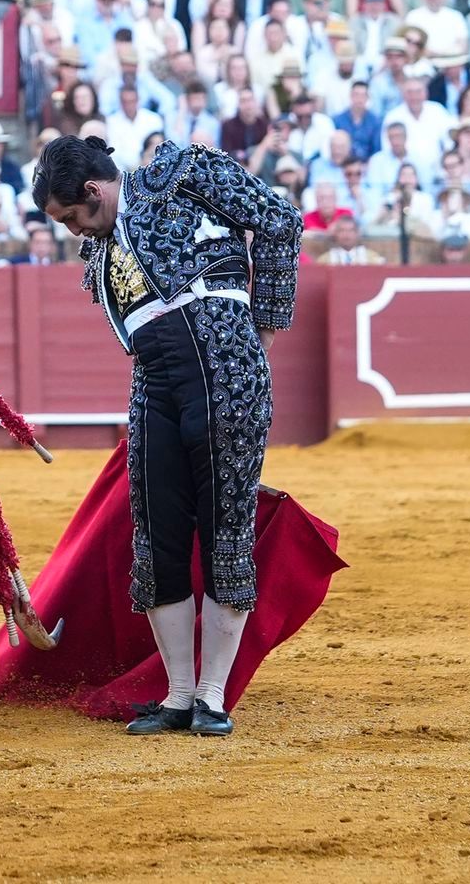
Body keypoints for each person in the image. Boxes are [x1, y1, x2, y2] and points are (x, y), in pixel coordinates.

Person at [33, 134, 303, 738]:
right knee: (156, 532)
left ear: (94, 190)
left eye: (72, 216)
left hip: (224, 368)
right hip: (154, 382)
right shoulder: (99, 253)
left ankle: (213, 696)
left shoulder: (180, 174)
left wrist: (260, 331)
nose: (74, 231)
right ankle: (179, 695)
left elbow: (282, 220)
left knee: (225, 527)